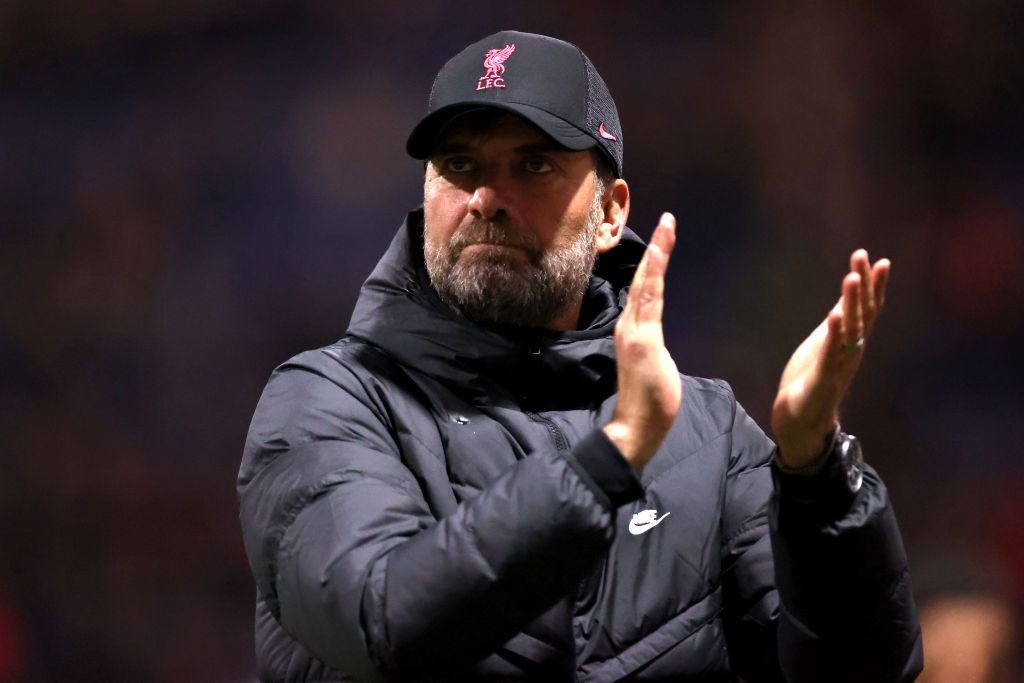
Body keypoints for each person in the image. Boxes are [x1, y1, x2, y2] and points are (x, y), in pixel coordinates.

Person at [238, 30, 923, 682]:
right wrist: (611, 459)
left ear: (610, 213)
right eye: (459, 166)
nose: (485, 198)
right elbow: (382, 622)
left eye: (533, 165)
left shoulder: (706, 432)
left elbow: (855, 673)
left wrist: (815, 473)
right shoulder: (328, 399)